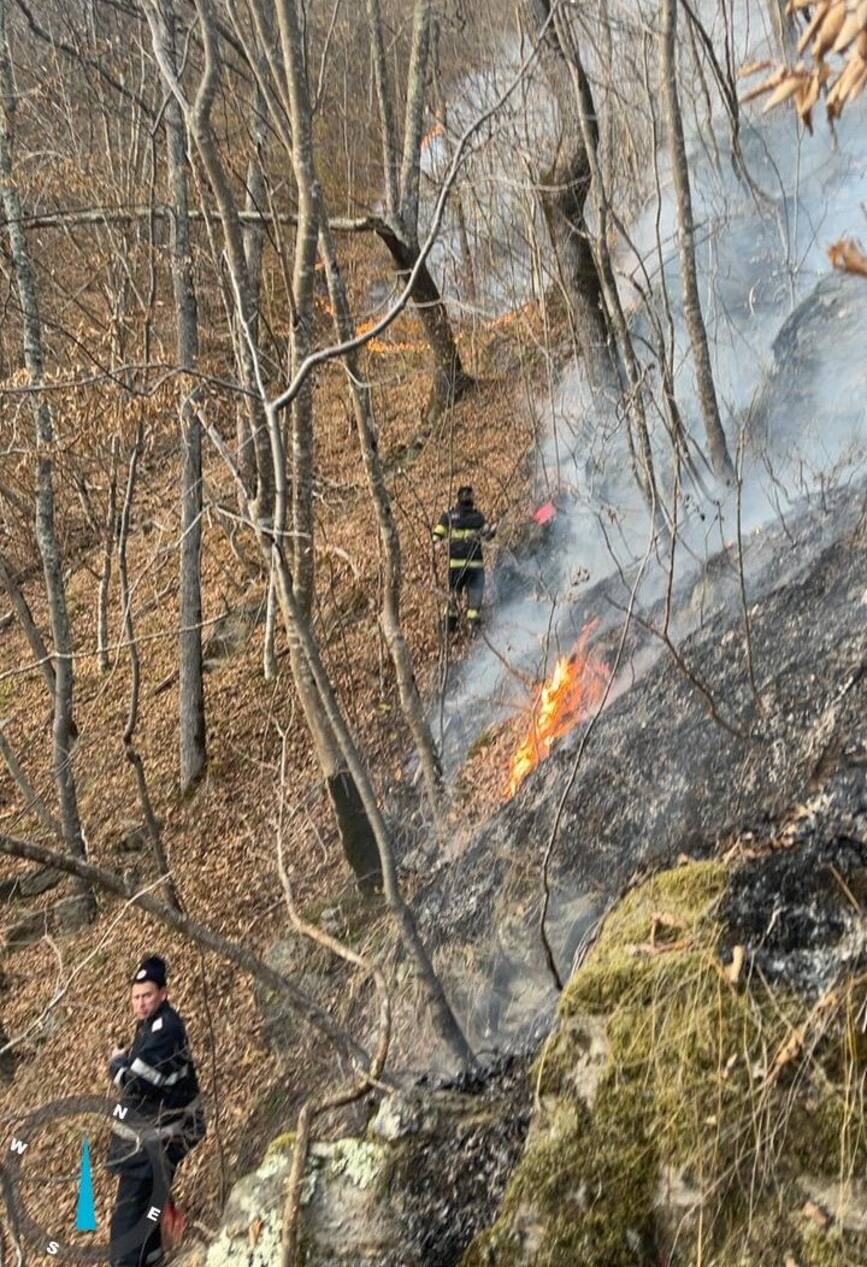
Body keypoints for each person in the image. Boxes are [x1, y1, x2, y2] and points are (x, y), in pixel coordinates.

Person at [107, 955, 205, 1267]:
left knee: (127, 1224)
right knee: (145, 1215)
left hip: (156, 1142)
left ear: (163, 994)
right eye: (136, 997)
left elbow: (135, 1084)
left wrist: (116, 1065)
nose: (141, 1003)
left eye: (147, 995)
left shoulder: (164, 1030)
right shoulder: (152, 1025)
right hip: (152, 1140)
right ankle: (152, 1258)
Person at [432, 486, 495, 633]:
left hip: (456, 565)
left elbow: (436, 537)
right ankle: (472, 626)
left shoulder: (449, 516)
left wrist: (439, 544)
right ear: (472, 498)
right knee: (475, 595)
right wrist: (492, 531)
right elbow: (487, 536)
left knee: (453, 595)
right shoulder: (477, 517)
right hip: (475, 564)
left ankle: (449, 626)